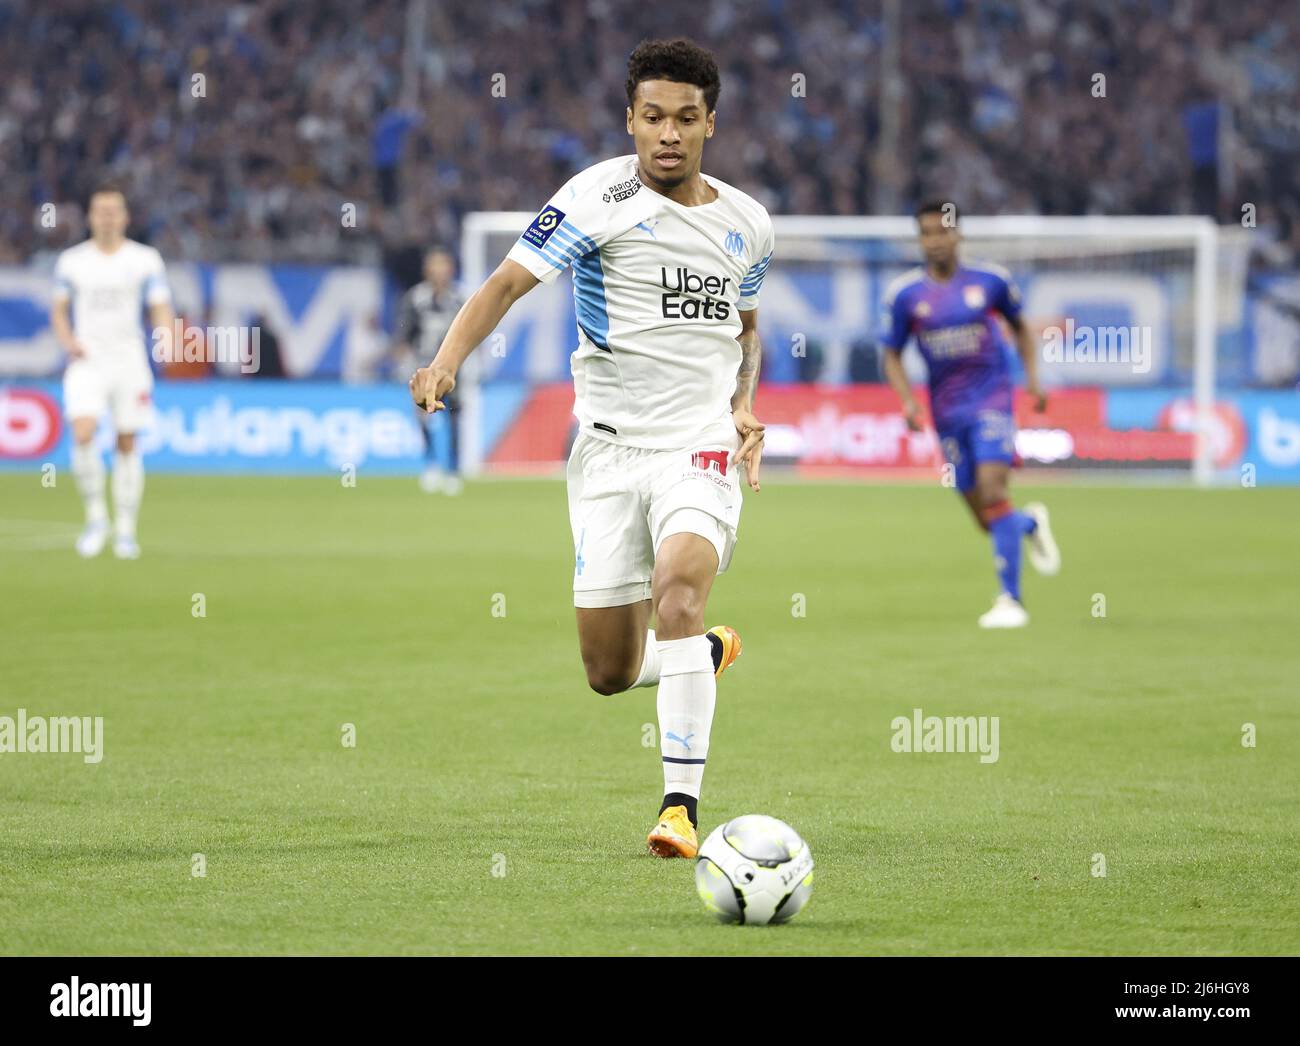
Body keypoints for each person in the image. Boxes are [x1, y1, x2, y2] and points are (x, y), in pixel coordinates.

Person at [409, 38, 772, 857]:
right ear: (631, 121)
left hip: (700, 447)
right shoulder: (593, 199)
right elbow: (504, 284)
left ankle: (679, 807)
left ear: (710, 122)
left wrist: (744, 406)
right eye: (653, 118)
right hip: (608, 456)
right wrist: (445, 362)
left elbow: (746, 330)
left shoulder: (749, 224)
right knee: (610, 670)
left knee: (679, 592)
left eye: (686, 118)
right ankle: (701, 656)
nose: (669, 133)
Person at [881, 201, 1060, 628]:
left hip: (993, 400)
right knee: (987, 517)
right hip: (947, 413)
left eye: (942, 231)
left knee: (994, 489)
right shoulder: (906, 296)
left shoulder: (991, 282)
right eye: (926, 233)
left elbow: (1020, 328)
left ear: (958, 234)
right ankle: (1030, 523)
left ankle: (1010, 601)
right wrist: (907, 401)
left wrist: (1033, 380)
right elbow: (891, 353)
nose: (935, 240)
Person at [50, 185, 174, 560]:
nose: (106, 216)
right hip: (88, 358)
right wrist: (68, 339)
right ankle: (95, 517)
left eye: (113, 210)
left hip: (128, 358)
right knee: (83, 431)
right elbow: (58, 309)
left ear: (125, 217)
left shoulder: (145, 259)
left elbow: (160, 305)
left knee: (126, 441)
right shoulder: (72, 261)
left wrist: (166, 337)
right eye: (100, 210)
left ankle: (126, 528)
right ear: (90, 216)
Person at [393, 247, 466, 493]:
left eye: (444, 265)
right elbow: (404, 335)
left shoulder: (459, 299)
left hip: (452, 371)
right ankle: (431, 465)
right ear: (427, 270)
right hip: (423, 369)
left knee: (455, 419)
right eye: (435, 266)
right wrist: (404, 365)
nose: (440, 271)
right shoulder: (415, 299)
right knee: (424, 417)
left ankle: (453, 471)